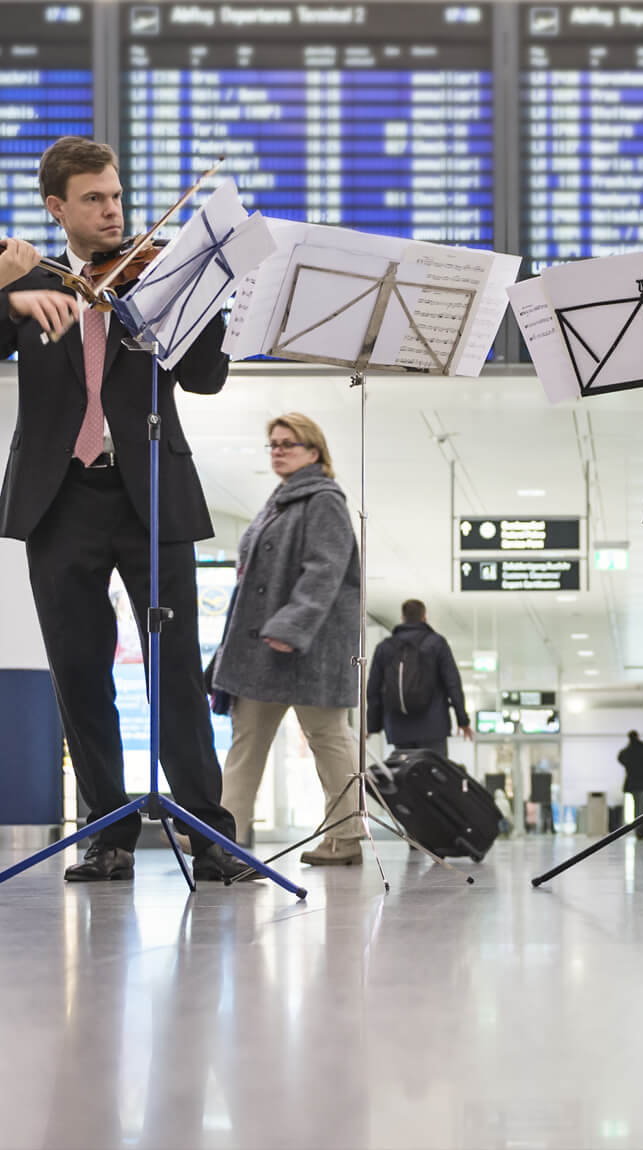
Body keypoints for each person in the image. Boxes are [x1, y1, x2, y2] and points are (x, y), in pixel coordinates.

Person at [0, 136, 240, 882]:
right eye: (94, 200)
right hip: (59, 496)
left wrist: (188, 303)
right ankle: (109, 835)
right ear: (56, 208)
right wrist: (4, 295)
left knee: (174, 673)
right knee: (78, 672)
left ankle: (210, 836)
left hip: (153, 493)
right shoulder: (27, 279)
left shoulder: (157, 276)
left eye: (117, 197)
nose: (113, 212)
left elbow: (206, 378)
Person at [211, 413, 364, 867]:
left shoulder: (323, 500)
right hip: (261, 649)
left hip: (309, 648)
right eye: (273, 444)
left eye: (289, 443)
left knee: (328, 737)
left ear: (314, 452)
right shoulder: (279, 503)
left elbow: (325, 570)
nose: (278, 450)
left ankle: (347, 837)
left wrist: (291, 626)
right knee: (247, 740)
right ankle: (223, 837)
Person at [366, 598, 472, 758]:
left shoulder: (385, 647)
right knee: (434, 777)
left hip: (398, 727)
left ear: (402, 618)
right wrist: (462, 720)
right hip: (434, 726)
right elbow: (453, 683)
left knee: (405, 776)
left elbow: (373, 688)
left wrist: (372, 725)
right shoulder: (437, 643)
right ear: (424, 617)